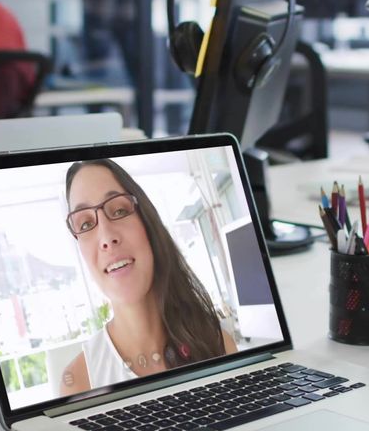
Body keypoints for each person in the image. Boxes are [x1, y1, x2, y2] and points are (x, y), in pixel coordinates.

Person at [60, 159, 237, 395]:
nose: (106, 237)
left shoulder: (216, 342)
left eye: (119, 210)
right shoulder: (80, 382)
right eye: (85, 224)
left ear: (147, 222)